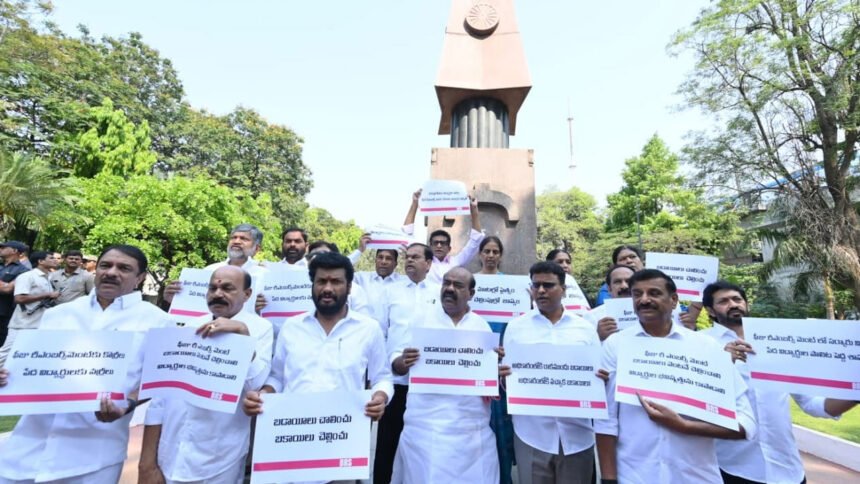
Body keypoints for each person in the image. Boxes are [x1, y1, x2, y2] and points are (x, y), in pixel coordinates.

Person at [0, 244, 171, 484]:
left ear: (140, 278)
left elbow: (157, 382)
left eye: (123, 268)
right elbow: (32, 369)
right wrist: (9, 377)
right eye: (105, 265)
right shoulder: (59, 314)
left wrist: (128, 403)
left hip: (93, 456)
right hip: (25, 449)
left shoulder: (159, 322)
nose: (111, 272)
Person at [594, 269, 756, 484]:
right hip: (634, 476)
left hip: (695, 476)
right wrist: (609, 479)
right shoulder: (615, 345)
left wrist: (684, 426)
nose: (644, 300)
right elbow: (606, 422)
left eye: (654, 293)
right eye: (637, 294)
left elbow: (746, 424)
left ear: (673, 300)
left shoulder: (707, 347)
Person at [701, 281, 859, 484]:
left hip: (787, 470)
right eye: (723, 301)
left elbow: (813, 404)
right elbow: (693, 401)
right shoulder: (700, 344)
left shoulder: (777, 342)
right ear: (710, 311)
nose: (733, 304)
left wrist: (855, 392)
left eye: (737, 299)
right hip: (733, 469)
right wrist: (721, 363)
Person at [139, 265, 273, 484]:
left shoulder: (259, 329)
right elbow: (161, 398)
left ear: (247, 294)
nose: (218, 294)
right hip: (170, 454)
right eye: (212, 288)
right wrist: (146, 463)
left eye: (228, 288)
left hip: (220, 460)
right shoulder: (186, 326)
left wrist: (242, 337)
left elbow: (254, 387)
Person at [242, 251, 392, 433]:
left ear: (350, 287)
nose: (327, 288)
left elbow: (382, 377)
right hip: (292, 431)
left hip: (345, 434)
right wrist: (264, 394)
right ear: (312, 285)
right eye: (321, 281)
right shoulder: (291, 327)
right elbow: (277, 377)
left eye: (336, 282)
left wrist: (380, 397)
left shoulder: (369, 329)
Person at [391, 267, 509, 484]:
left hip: (471, 432)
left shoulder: (481, 327)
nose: (449, 289)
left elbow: (489, 383)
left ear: (471, 294)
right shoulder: (420, 320)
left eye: (458, 285)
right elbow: (395, 363)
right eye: (446, 283)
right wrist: (403, 362)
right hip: (425, 429)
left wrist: (496, 370)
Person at [504, 261, 601, 484]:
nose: (540, 291)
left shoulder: (585, 328)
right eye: (535, 285)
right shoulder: (516, 327)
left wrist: (599, 379)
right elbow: (509, 378)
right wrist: (503, 378)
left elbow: (596, 374)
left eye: (548, 285)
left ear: (564, 290)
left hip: (577, 435)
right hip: (531, 434)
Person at [373, 243, 440, 484]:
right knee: (387, 446)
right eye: (407, 257)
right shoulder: (390, 292)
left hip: (427, 385)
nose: (409, 261)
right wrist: (393, 363)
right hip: (396, 381)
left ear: (429, 263)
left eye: (415, 257)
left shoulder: (440, 291)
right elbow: (380, 332)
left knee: (421, 448)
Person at [475, 236, 515, 484]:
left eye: (495, 251)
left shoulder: (511, 286)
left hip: (501, 366)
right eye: (486, 251)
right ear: (479, 254)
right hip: (475, 364)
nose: (490, 255)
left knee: (502, 430)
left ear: (500, 255)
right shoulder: (472, 283)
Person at [164, 223, 268, 307]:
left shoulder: (265, 275)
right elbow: (196, 305)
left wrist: (261, 308)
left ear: (257, 248)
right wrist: (174, 300)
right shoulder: (210, 270)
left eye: (244, 239)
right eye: (233, 237)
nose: (236, 241)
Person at [402, 188, 484, 284]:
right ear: (430, 246)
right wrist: (415, 203)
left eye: (443, 243)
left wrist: (474, 210)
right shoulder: (422, 262)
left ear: (449, 248)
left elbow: (476, 239)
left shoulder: (456, 262)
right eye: (435, 243)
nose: (439, 246)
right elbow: (406, 235)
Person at [0, 251, 60, 366]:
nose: (55, 260)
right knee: (6, 353)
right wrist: (47, 295)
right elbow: (19, 298)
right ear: (40, 261)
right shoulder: (27, 276)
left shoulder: (47, 278)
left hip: (39, 324)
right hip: (22, 324)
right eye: (51, 258)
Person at [353, 237, 404, 333]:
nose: (383, 261)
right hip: (364, 337)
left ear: (395, 263)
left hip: (393, 341)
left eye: (388, 258)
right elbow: (339, 268)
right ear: (375, 260)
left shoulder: (404, 282)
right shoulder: (361, 278)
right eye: (380, 257)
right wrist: (359, 251)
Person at [590, 264, 636, 341]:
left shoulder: (651, 313)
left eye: (629, 281)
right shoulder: (592, 317)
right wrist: (597, 336)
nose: (624, 286)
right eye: (618, 282)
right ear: (609, 288)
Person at [0, 241, 30, 347]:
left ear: (14, 251)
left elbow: (7, 289)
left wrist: (6, 285)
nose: (1, 249)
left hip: (4, 313)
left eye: (3, 247)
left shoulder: (24, 271)